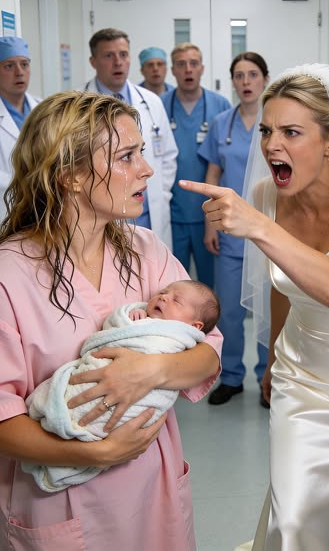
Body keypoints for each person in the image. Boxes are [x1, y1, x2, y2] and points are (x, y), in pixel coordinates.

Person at [180, 63, 329, 549]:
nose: (272, 145)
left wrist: (258, 227)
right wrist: (274, 356)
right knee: (294, 510)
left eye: (291, 132)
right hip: (298, 371)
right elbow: (283, 284)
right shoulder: (265, 196)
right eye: (267, 131)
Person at [0, 91, 222, 550]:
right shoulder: (9, 275)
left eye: (142, 152)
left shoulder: (146, 249)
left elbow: (208, 351)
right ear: (71, 175)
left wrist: (151, 370)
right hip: (61, 500)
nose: (147, 169)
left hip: (152, 487)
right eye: (127, 156)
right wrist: (96, 452)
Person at [23, 279, 220, 493]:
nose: (164, 297)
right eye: (163, 292)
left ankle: (70, 426)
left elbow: (209, 355)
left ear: (195, 326)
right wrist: (131, 319)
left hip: (142, 424)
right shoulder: (142, 318)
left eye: (176, 300)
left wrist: (152, 368)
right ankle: (64, 428)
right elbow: (116, 329)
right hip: (94, 380)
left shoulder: (180, 336)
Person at [199, 52, 270, 407]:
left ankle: (268, 377)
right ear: (233, 82)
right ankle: (230, 377)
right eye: (239, 76)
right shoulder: (221, 124)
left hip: (268, 231)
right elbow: (212, 176)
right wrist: (210, 225)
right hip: (229, 232)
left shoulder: (276, 121)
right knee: (228, 311)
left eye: (252, 74)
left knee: (269, 311)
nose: (246, 82)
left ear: (265, 79)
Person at [85, 28, 177, 250]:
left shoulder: (151, 101)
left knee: (154, 267)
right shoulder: (79, 107)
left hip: (149, 211)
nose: (118, 62)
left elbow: (168, 154)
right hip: (103, 213)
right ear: (93, 62)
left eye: (123, 55)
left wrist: (160, 193)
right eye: (109, 55)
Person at [162, 42, 231, 287]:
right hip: (172, 213)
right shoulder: (159, 105)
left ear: (202, 68)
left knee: (210, 286)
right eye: (181, 64)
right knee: (172, 285)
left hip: (209, 214)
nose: (188, 69)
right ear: (173, 70)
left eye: (193, 63)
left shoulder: (221, 106)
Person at [0, 36, 39, 220]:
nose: (19, 72)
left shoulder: (42, 108)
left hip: (41, 208)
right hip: (4, 210)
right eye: (9, 66)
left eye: (24, 64)